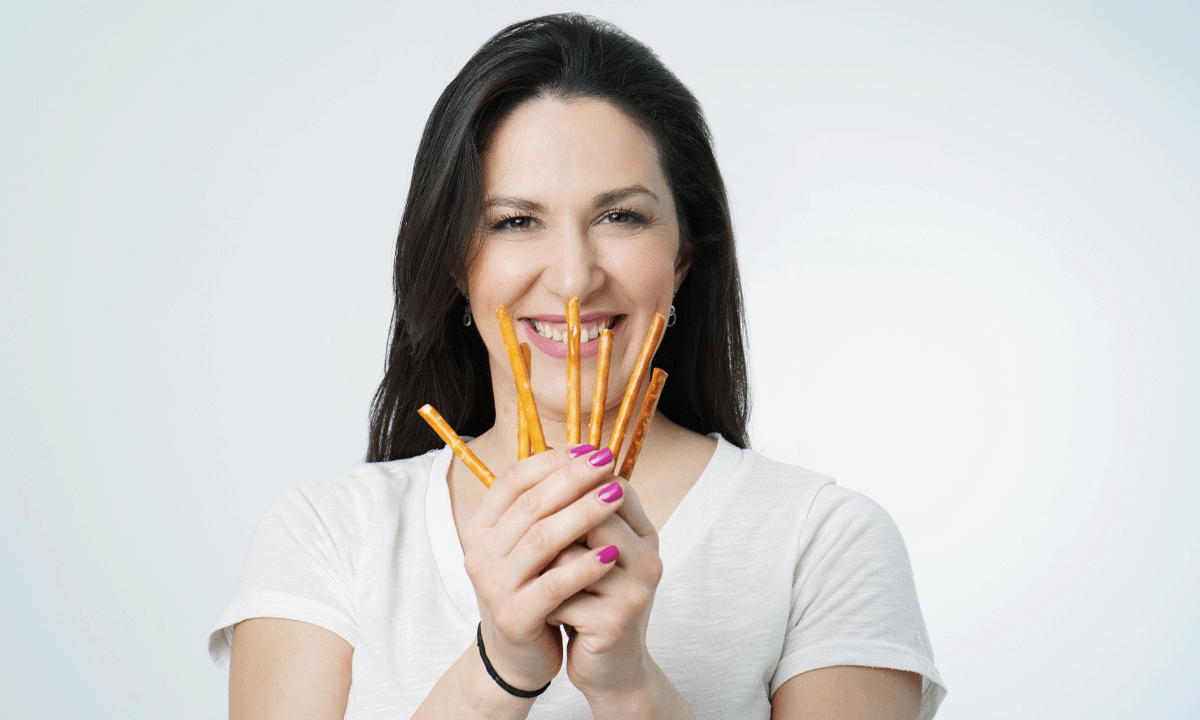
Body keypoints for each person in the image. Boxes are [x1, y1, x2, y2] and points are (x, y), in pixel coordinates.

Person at [209, 13, 946, 719]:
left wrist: (628, 688)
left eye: (620, 216)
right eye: (515, 221)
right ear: (457, 265)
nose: (571, 278)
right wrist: (498, 671)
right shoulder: (327, 536)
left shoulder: (823, 541)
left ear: (683, 255)